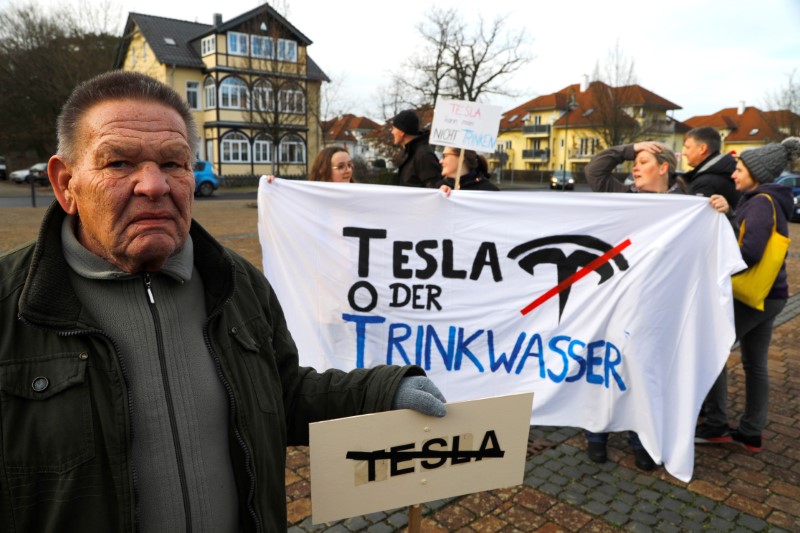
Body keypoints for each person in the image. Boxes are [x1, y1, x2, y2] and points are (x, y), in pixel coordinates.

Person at [0, 71, 446, 532]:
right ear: (65, 183)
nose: (154, 185)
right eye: (119, 164)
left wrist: (380, 391)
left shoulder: (239, 284)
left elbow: (282, 393)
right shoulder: (9, 306)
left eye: (174, 163)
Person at [582, 141, 683, 471]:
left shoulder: (687, 205)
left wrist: (724, 209)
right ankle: (597, 434)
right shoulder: (623, 195)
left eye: (642, 162)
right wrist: (631, 148)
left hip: (657, 306)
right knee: (604, 365)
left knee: (644, 372)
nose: (634, 168)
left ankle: (641, 439)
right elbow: (594, 170)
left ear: (664, 168)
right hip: (613, 300)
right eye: (634, 163)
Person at [696, 137, 799, 452]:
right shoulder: (770, 200)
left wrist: (716, 270)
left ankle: (715, 425)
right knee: (755, 363)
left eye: (739, 169)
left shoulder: (758, 202)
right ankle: (751, 432)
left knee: (711, 349)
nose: (734, 174)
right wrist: (729, 214)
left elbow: (749, 251)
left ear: (757, 172)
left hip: (752, 296)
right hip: (771, 295)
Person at [682, 126, 741, 207]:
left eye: (688, 148)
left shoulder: (705, 183)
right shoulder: (727, 171)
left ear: (702, 149)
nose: (684, 153)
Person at [392, 109, 441, 188]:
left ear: (402, 132)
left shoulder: (423, 155)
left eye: (394, 128)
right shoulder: (410, 153)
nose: (392, 132)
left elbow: (434, 189)